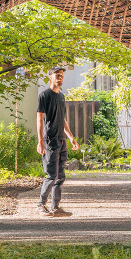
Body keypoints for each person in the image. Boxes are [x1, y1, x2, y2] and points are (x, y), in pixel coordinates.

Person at [36, 66, 78, 217]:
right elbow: (39, 119)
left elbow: (63, 119)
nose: (60, 78)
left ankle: (55, 207)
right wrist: (40, 142)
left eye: (61, 75)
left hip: (62, 140)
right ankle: (41, 205)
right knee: (51, 175)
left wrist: (71, 137)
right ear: (50, 77)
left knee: (60, 176)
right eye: (57, 75)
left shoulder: (61, 96)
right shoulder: (44, 95)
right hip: (50, 140)